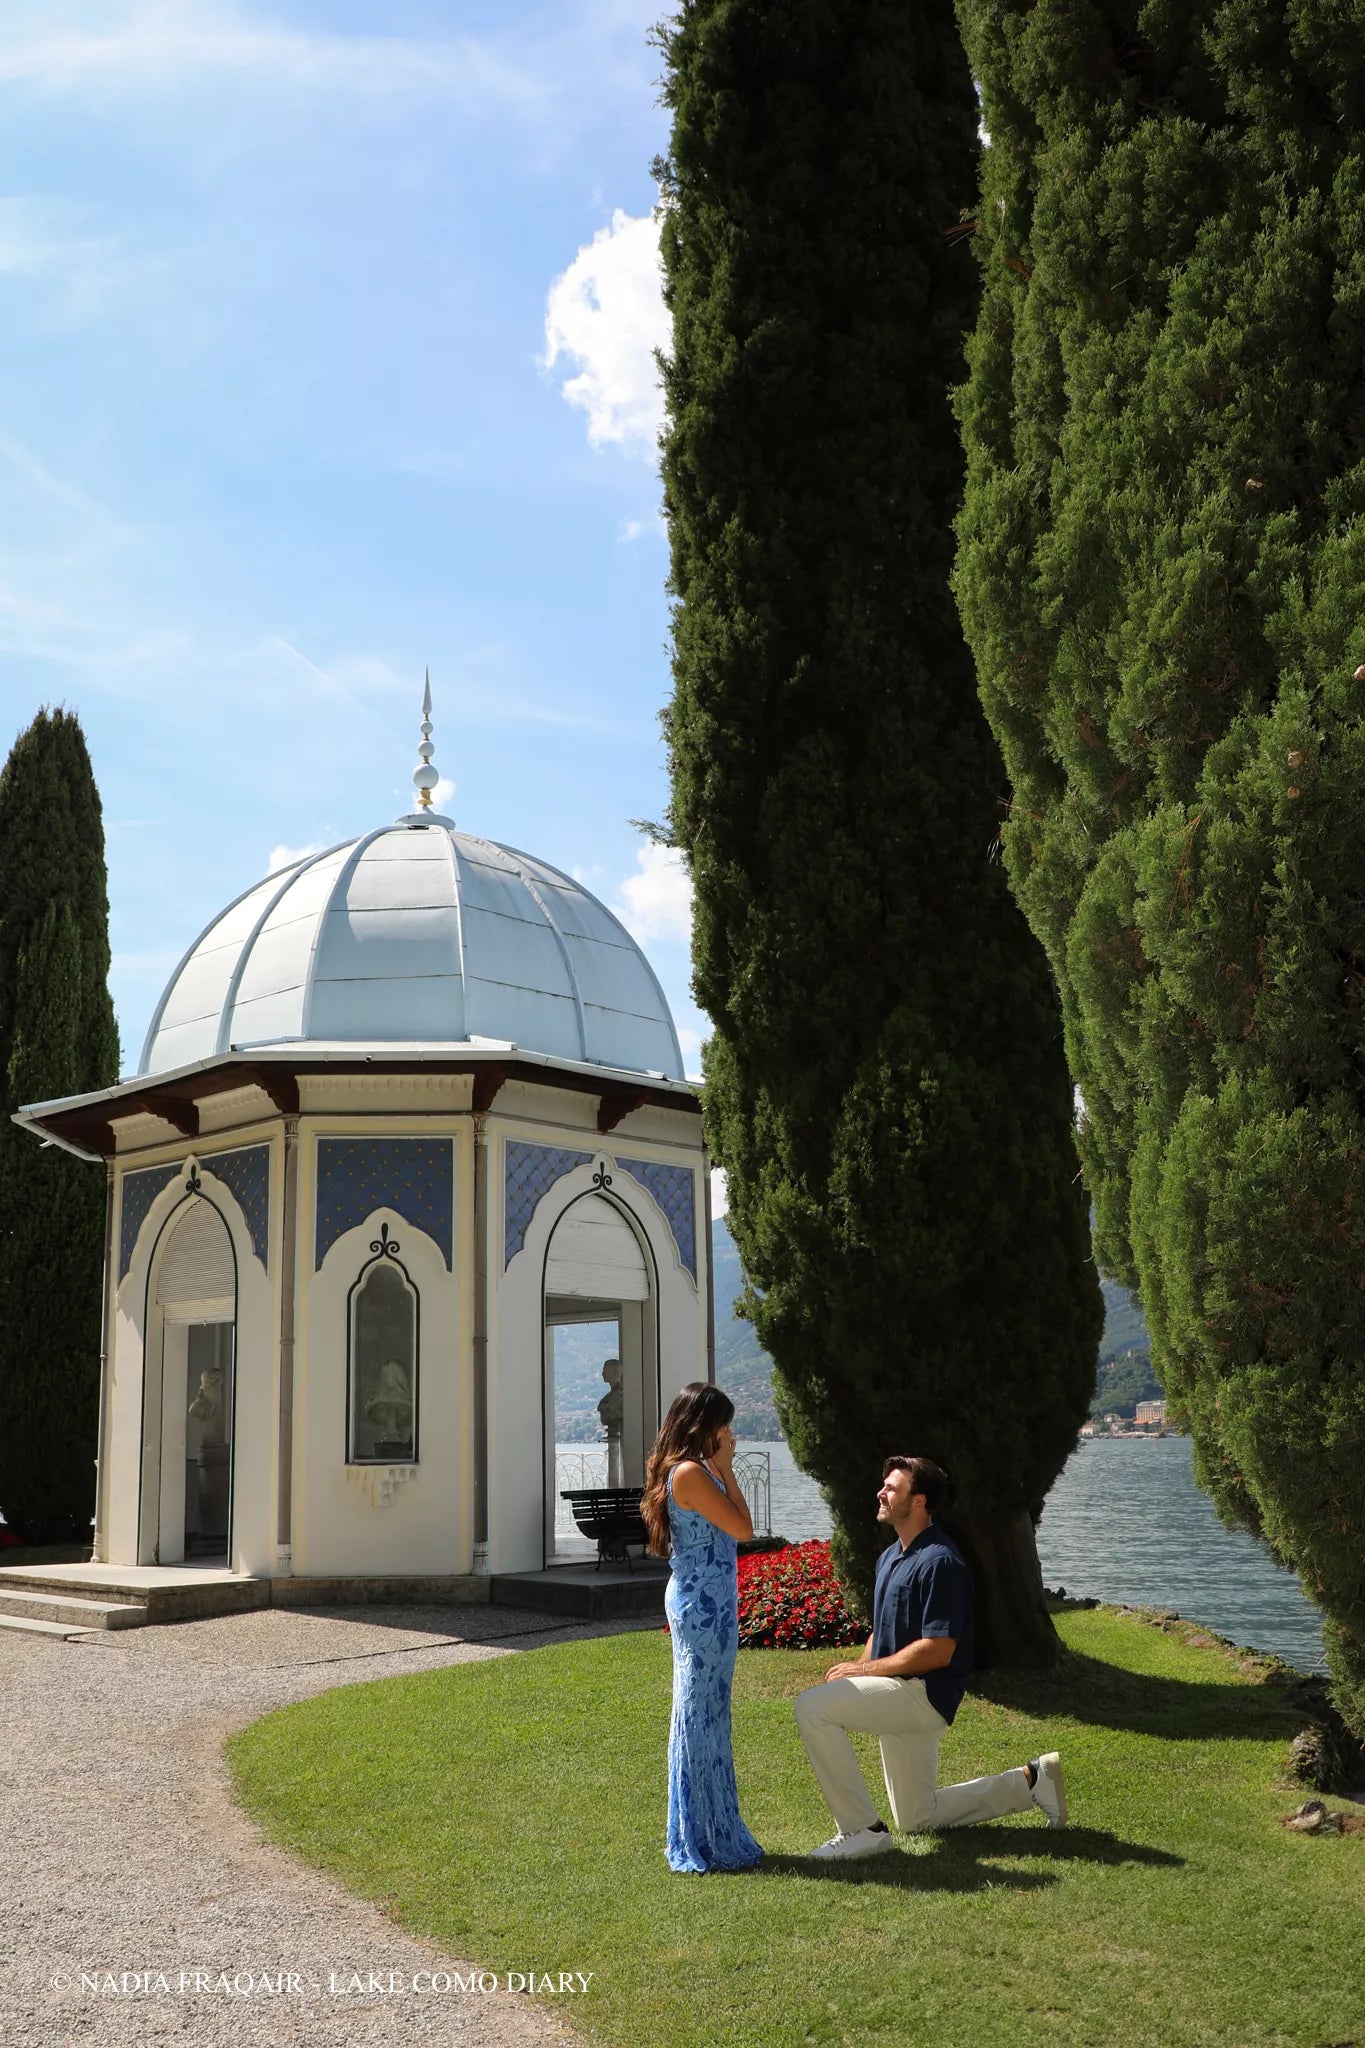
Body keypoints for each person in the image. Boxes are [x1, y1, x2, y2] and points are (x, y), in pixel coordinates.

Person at [794, 1455, 1067, 1860]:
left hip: (922, 1695)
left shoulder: (941, 1562)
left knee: (811, 1708)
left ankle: (861, 1830)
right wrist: (855, 1672)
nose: (880, 1493)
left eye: (892, 1488)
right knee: (917, 1818)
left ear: (919, 1501)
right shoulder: (892, 1556)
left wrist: (866, 1671)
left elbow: (939, 1650)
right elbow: (882, 1631)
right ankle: (1031, 1781)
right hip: (897, 1689)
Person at [641, 1382, 764, 1874]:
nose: (729, 1434)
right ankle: (701, 1836)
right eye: (724, 1425)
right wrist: (729, 1471)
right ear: (703, 1426)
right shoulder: (691, 1473)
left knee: (704, 1714)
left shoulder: (690, 1470)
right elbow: (743, 1529)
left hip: (705, 1602)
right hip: (703, 1608)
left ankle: (707, 1828)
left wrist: (724, 1469)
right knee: (700, 1717)